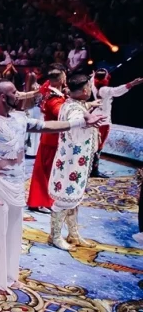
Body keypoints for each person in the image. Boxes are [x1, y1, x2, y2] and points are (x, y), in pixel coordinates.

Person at [0, 81, 105, 293]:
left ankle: (9, 277)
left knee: (13, 232)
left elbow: (47, 126)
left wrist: (81, 122)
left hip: (17, 184)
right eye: (14, 92)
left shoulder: (19, 118)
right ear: (2, 97)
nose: (19, 95)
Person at [48, 74, 107, 251]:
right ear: (84, 90)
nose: (90, 89)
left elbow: (79, 111)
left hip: (75, 161)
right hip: (71, 163)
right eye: (88, 86)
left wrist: (89, 108)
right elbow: (75, 122)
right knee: (64, 199)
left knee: (73, 199)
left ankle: (73, 234)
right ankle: (55, 236)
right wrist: (86, 122)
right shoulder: (75, 110)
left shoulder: (72, 104)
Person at [26, 66, 67, 214]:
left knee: (47, 170)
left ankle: (42, 200)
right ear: (61, 79)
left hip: (50, 136)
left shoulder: (50, 91)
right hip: (52, 138)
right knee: (46, 171)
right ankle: (40, 201)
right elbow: (60, 113)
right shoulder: (54, 97)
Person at [90, 70, 143, 178]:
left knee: (95, 145)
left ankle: (92, 168)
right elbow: (117, 91)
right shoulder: (104, 90)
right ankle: (94, 170)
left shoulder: (93, 86)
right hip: (103, 122)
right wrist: (132, 83)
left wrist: (93, 75)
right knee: (99, 146)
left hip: (96, 118)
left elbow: (92, 79)